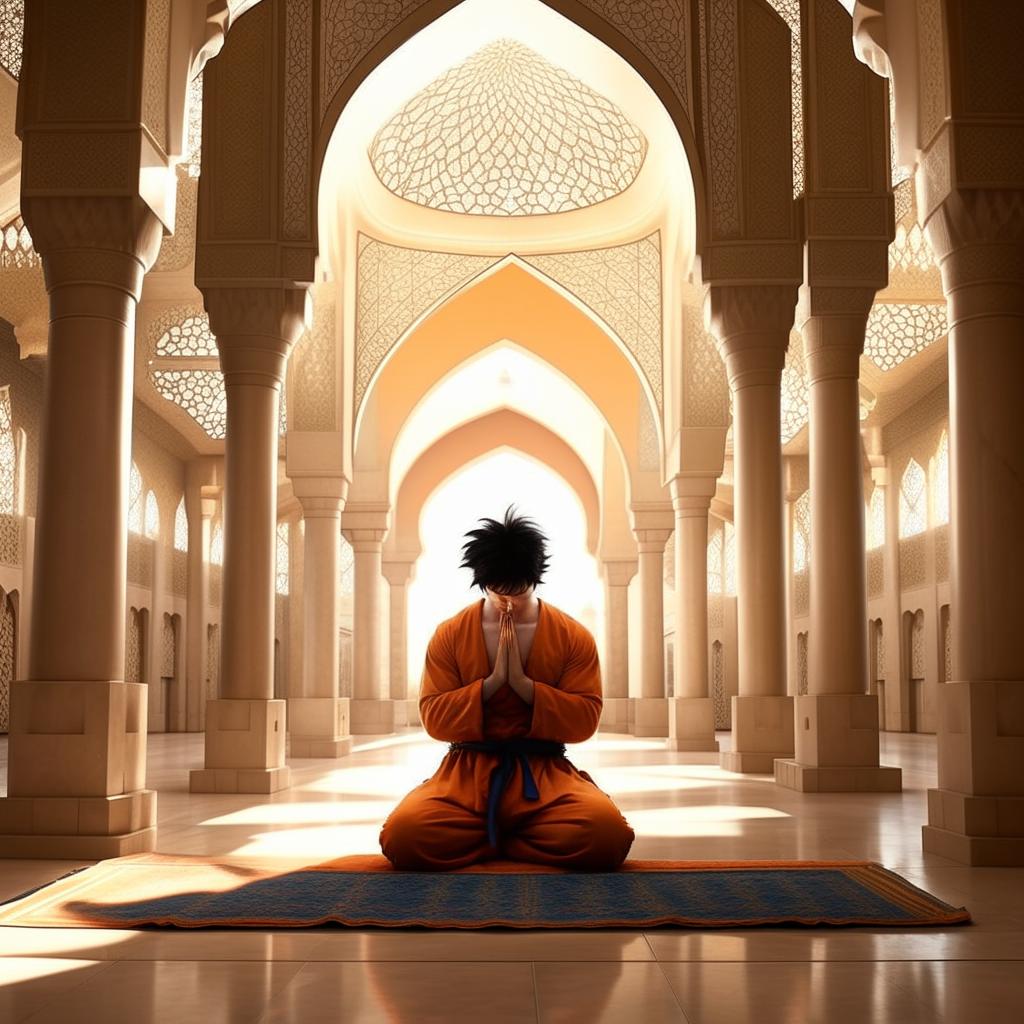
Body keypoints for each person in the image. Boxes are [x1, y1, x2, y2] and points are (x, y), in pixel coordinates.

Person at [379, 505, 635, 871]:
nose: (508, 603)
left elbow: (585, 718)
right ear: (482, 582)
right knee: (405, 835)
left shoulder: (573, 636)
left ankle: (495, 835)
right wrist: (492, 684)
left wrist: (525, 686)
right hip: (466, 772)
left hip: (543, 771)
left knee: (605, 835)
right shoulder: (450, 634)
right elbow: (433, 717)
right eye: (498, 592)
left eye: (517, 591)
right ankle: (513, 835)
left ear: (535, 579)